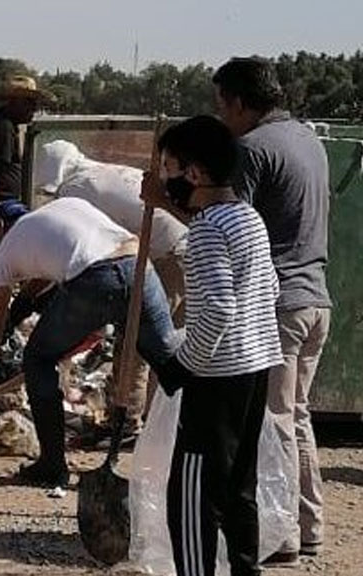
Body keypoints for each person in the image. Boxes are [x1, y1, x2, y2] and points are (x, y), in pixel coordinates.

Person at [145, 115, 283, 576]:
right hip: (256, 369)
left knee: (192, 496)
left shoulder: (205, 230)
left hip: (216, 379)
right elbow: (269, 293)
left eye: (170, 167)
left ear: (195, 174)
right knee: (238, 490)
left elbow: (220, 309)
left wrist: (183, 365)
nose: (166, 177)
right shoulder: (248, 217)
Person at [0, 197, 178, 487]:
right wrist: (25, 301)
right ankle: (202, 459)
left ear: (0, 226)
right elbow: (47, 265)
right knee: (173, 370)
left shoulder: (5, 252)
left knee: (38, 359)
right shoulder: (64, 207)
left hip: (97, 280)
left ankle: (52, 465)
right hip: (139, 266)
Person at [212, 57, 332, 566]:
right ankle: (309, 525)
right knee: (294, 416)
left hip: (278, 305)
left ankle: (281, 533)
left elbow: (230, 223)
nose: (219, 115)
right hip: (314, 300)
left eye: (221, 104)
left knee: (273, 420)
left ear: (239, 102)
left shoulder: (251, 149)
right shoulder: (307, 138)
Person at [35, 139, 188, 425]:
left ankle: (127, 419)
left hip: (166, 256)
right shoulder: (103, 171)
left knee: (139, 337)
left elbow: (96, 257)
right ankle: (161, 423)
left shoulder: (76, 191)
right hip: (187, 247)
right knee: (169, 344)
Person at [0, 75, 54, 243]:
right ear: (15, 101)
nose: (35, 108)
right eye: (30, 102)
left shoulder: (6, 124)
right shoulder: (3, 127)